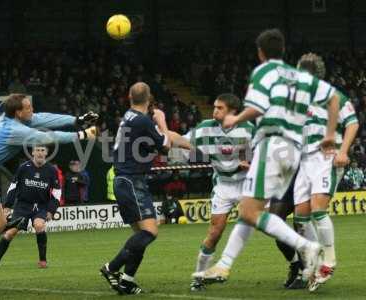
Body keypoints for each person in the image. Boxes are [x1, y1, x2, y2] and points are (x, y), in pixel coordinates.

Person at [195, 29, 340, 289]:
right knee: (250, 211)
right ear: (283, 50)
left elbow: (258, 107)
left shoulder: (266, 72)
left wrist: (235, 118)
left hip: (273, 145)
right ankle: (224, 264)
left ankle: (306, 247)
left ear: (260, 52)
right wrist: (331, 135)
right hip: (293, 152)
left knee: (251, 211)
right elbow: (333, 100)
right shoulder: (296, 77)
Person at [0, 93, 98, 293]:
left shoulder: (10, 119)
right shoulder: (14, 130)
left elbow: (44, 118)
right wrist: (81, 135)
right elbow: (47, 137)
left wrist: (75, 120)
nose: (32, 110)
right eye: (28, 107)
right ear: (19, 112)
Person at [271, 53, 359, 290]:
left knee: (318, 209)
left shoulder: (334, 96)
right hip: (305, 161)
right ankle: (315, 259)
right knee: (300, 216)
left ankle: (328, 260)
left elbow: (352, 122)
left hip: (326, 158)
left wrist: (343, 152)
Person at [175, 93, 255, 291]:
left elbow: (264, 156)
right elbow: (179, 139)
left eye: (220, 108)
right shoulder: (205, 128)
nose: (214, 111)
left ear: (233, 112)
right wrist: (164, 131)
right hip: (224, 185)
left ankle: (298, 264)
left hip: (247, 184)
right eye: (214, 107)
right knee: (214, 232)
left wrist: (252, 164)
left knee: (270, 224)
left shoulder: (249, 129)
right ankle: (198, 277)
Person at [100, 82, 171, 295]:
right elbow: (165, 146)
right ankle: (111, 268)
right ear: (149, 99)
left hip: (123, 180)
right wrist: (162, 121)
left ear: (129, 97)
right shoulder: (142, 120)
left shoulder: (128, 117)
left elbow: (143, 145)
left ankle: (127, 281)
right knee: (150, 232)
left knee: (139, 236)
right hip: (132, 181)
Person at [0, 145, 61, 270]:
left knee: (39, 226)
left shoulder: (51, 170)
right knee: (10, 232)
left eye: (42, 150)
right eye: (37, 150)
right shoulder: (24, 168)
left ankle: (43, 261)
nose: (40, 153)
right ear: (33, 152)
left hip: (41, 206)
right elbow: (13, 186)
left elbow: (56, 192)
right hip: (23, 206)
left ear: (46, 153)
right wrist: (7, 206)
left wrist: (51, 210)